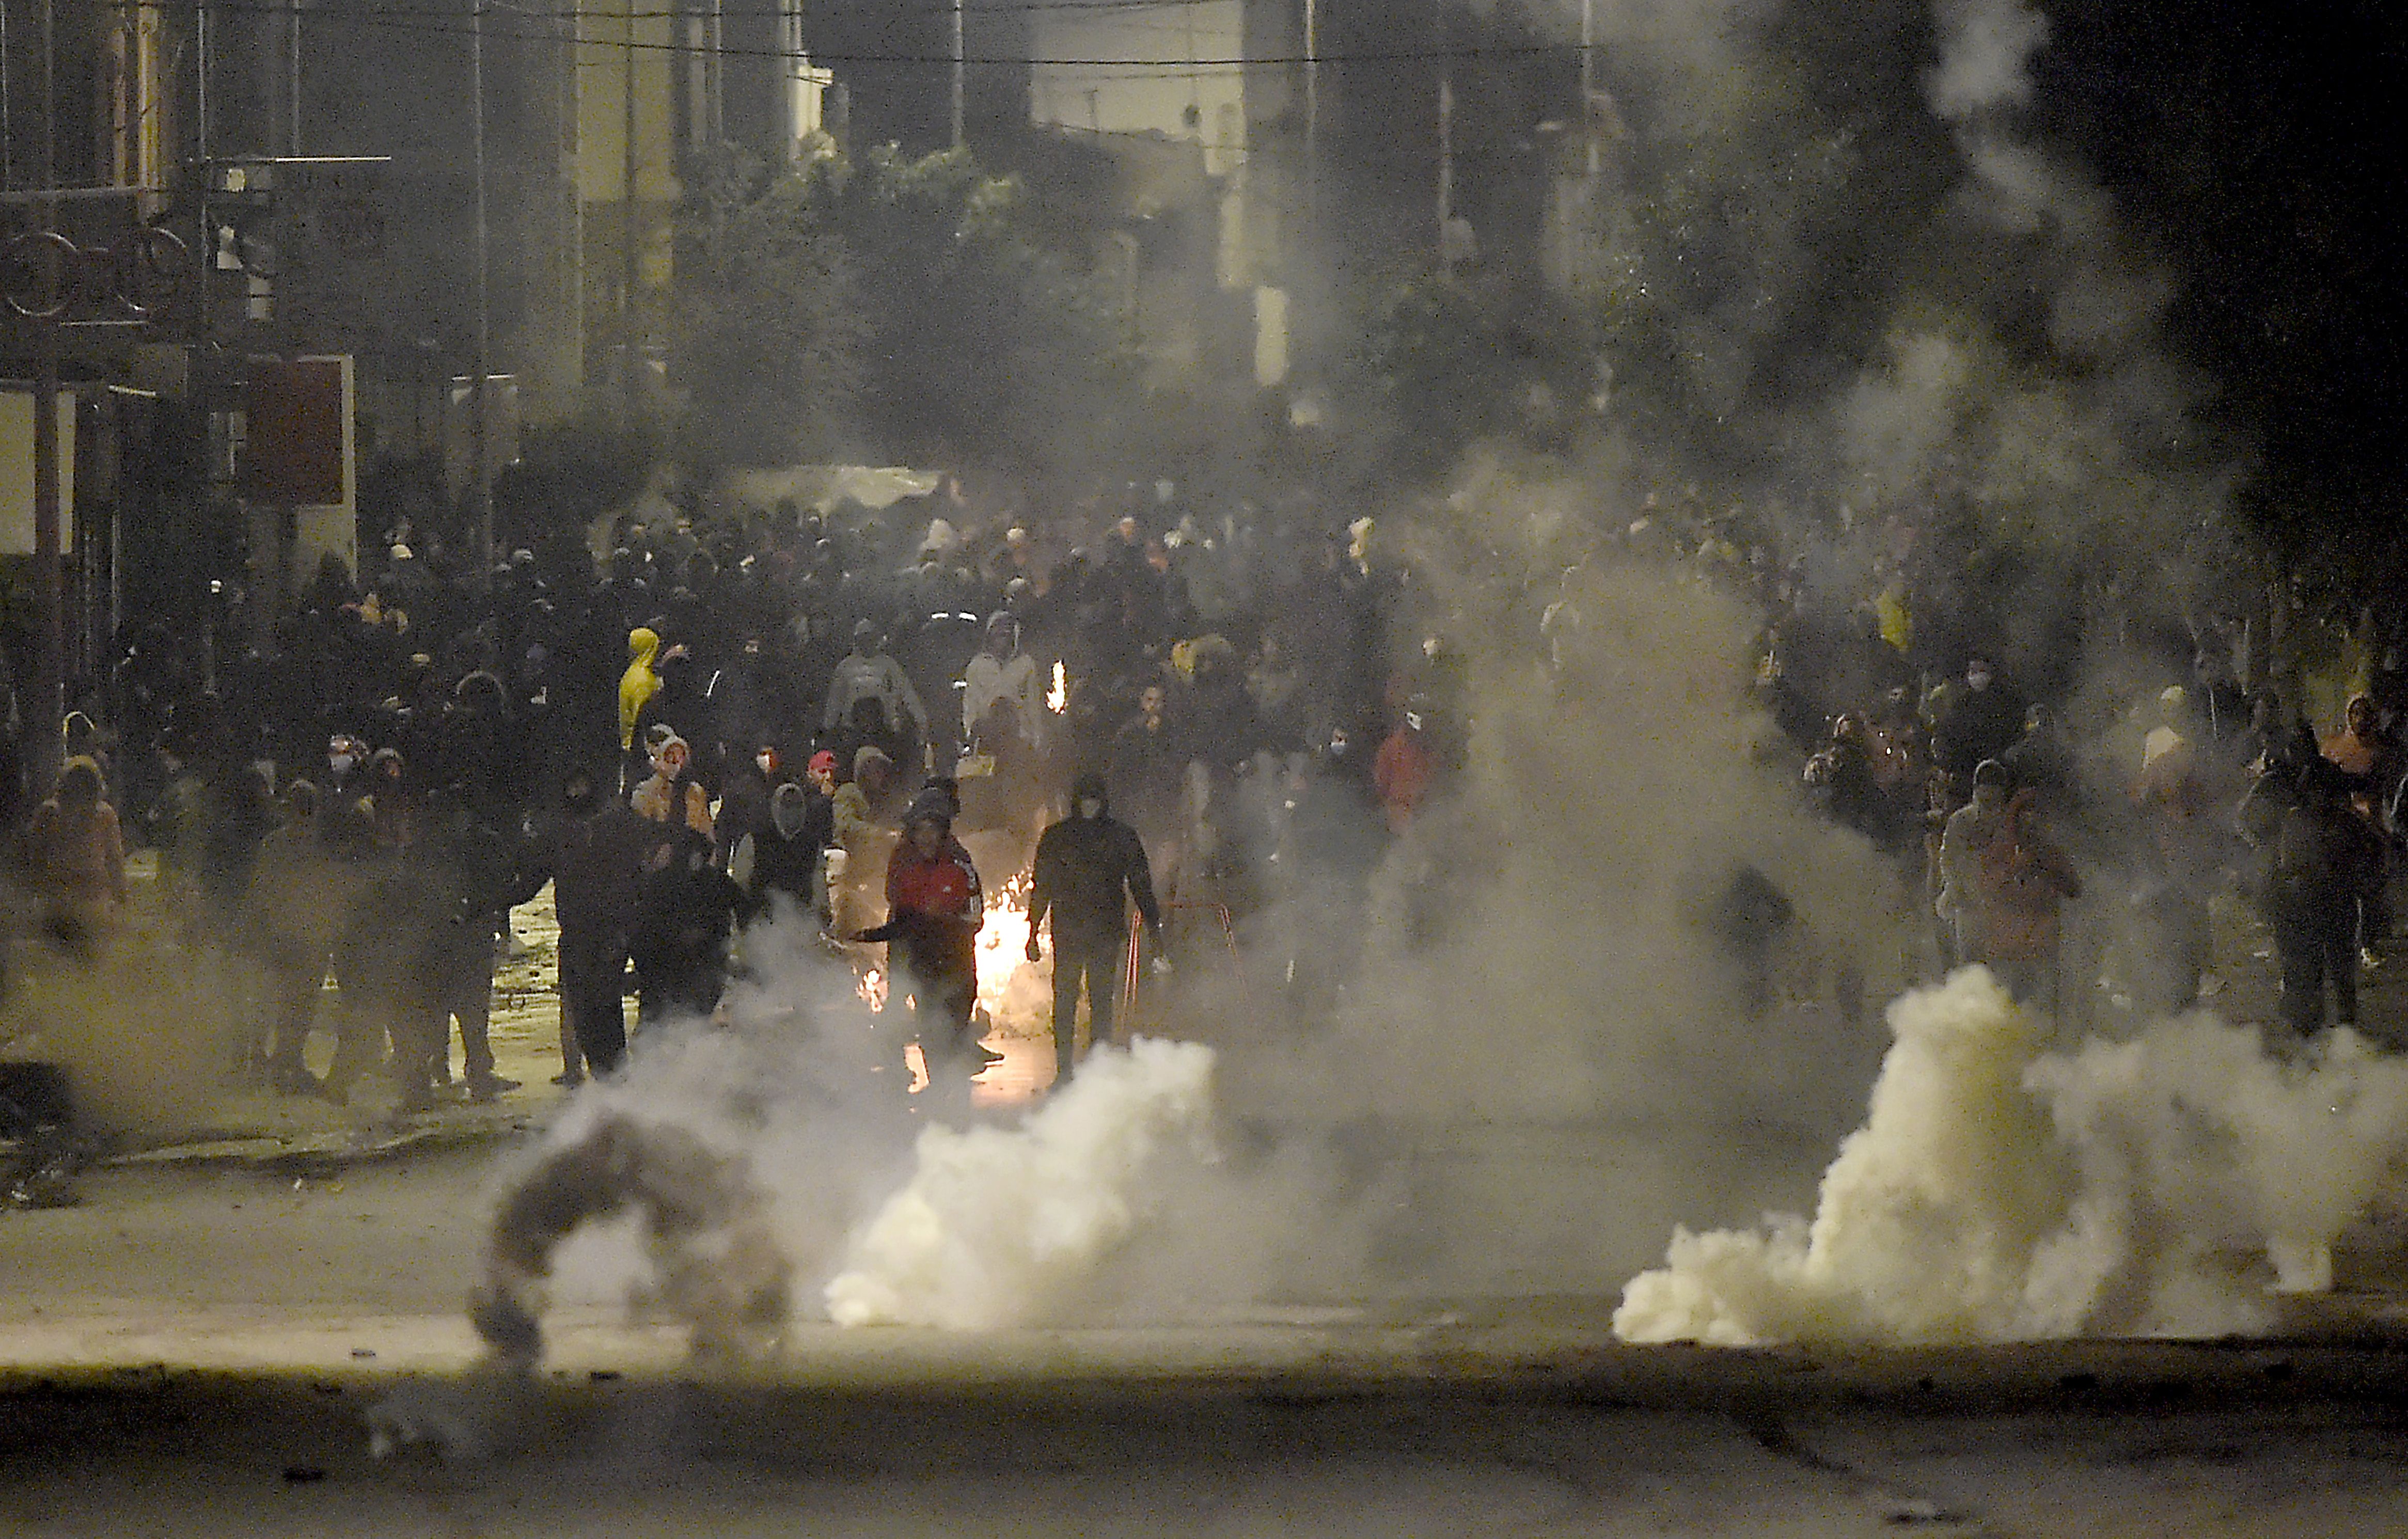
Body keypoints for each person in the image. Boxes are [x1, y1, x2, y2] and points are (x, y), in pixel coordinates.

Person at [1027, 773, 1164, 1084]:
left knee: (1099, 1000)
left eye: (1094, 800)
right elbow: (1042, 887)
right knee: (1067, 999)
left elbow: (1140, 883)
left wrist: (1153, 922)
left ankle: (1095, 1066)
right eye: (1085, 800)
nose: (1089, 806)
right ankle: (1067, 1068)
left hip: (1100, 929)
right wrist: (1033, 930)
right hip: (1073, 929)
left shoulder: (1107, 836)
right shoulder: (1065, 837)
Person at [854, 795, 984, 1086]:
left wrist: (945, 923)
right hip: (924, 962)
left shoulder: (960, 866)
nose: (926, 838)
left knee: (955, 1021)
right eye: (921, 831)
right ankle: (940, 1085)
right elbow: (904, 921)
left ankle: (954, 1079)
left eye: (932, 830)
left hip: (957, 961)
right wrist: (871, 935)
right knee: (929, 1024)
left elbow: (975, 915)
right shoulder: (909, 872)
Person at [1938, 760, 2081, 1008]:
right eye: (1986, 785)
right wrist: (1960, 889)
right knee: (1974, 974)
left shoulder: (2019, 828)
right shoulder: (1963, 822)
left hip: (2021, 922)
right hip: (1978, 910)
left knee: (2019, 985)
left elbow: (2068, 883)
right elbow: (1951, 860)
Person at [540, 767, 650, 1078]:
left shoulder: (617, 826)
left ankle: (614, 1074)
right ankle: (601, 1071)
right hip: (575, 935)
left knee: (605, 1006)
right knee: (582, 1009)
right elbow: (535, 873)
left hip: (608, 933)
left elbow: (638, 869)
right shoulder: (561, 834)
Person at [24, 756, 130, 951]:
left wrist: (33, 892)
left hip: (57, 896)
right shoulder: (105, 815)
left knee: (57, 957)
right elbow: (114, 860)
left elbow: (36, 856)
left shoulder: (48, 813)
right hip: (94, 898)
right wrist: (121, 896)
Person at [631, 733, 714, 845]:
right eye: (670, 757)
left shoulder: (696, 793)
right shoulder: (645, 792)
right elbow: (639, 835)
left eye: (681, 758)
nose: (676, 763)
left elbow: (706, 829)